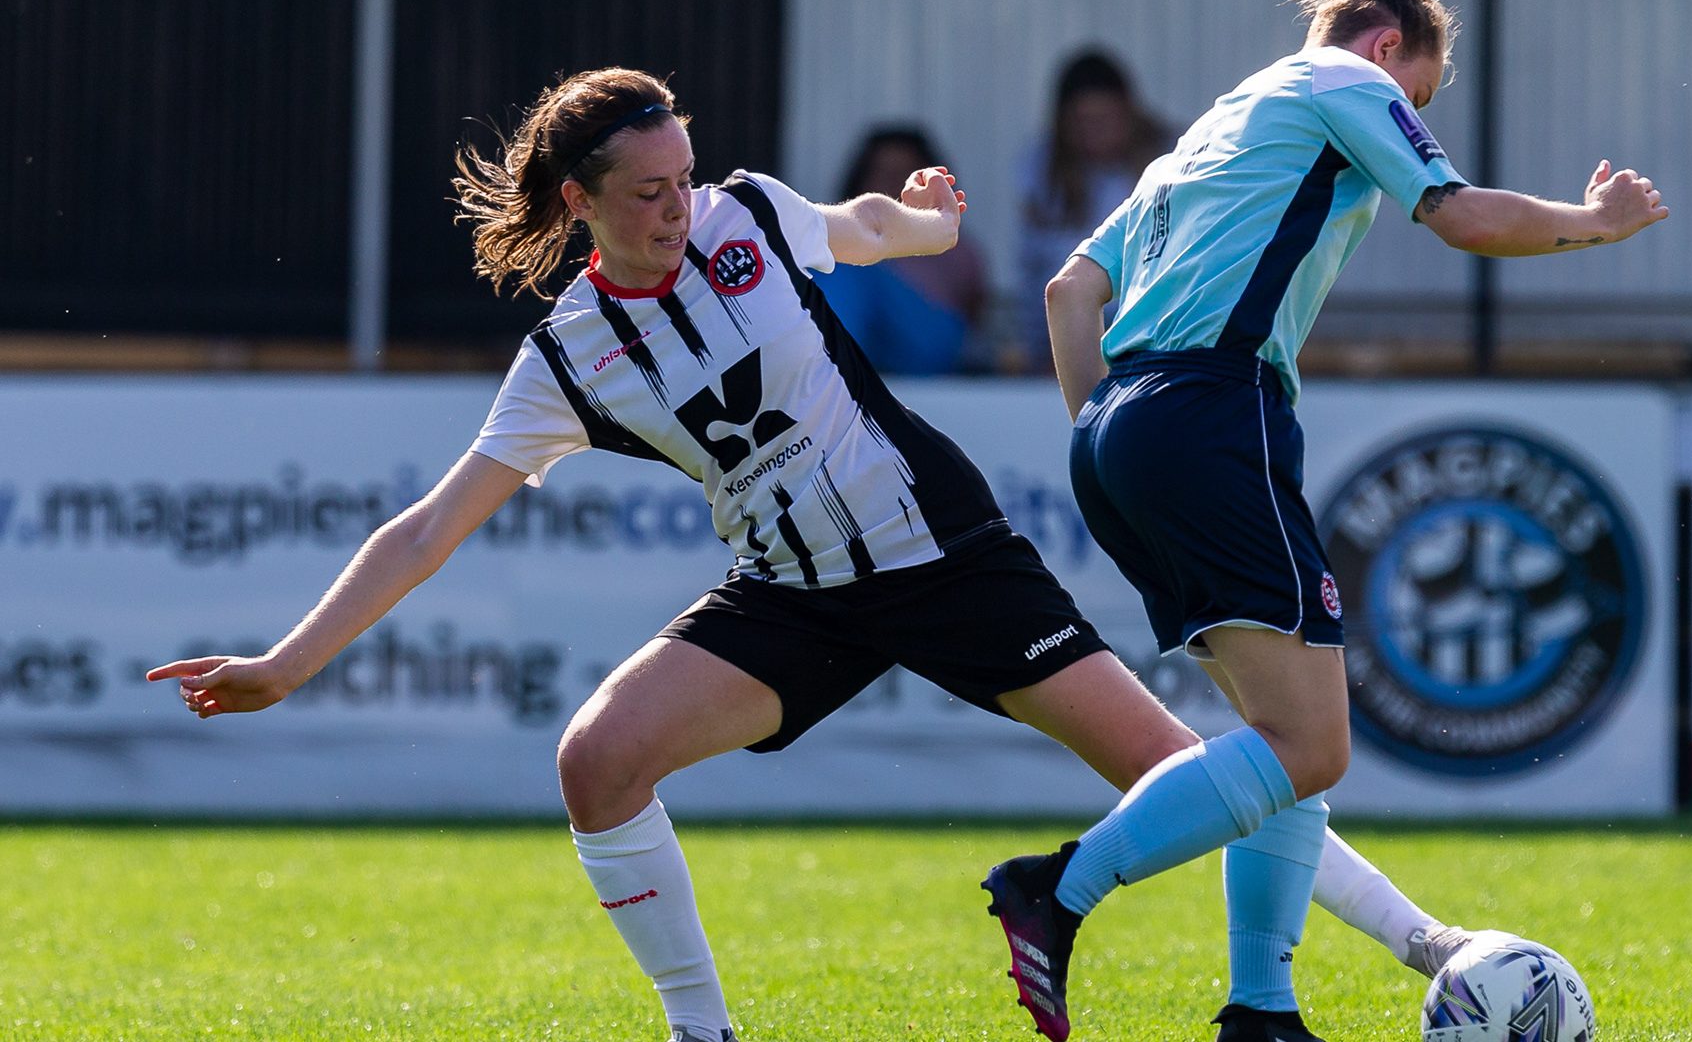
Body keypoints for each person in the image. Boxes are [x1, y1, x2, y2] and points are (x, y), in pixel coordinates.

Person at [144, 67, 1490, 1042]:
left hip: (948, 555)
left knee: (1182, 772)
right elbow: (432, 526)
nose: (678, 207)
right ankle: (702, 1034)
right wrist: (285, 662)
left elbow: (874, 234)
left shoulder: (743, 217)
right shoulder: (569, 357)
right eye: (647, 193)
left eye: (683, 179)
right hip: (792, 597)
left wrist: (925, 217)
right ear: (580, 200)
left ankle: (1429, 948)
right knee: (595, 761)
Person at [984, 0, 1669, 1040]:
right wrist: (1598, 220)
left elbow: (1070, 290)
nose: (1410, 121)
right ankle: (1058, 891)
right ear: (1388, 46)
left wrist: (1108, 435)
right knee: (1310, 746)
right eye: (1421, 100)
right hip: (1216, 411)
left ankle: (1262, 1009)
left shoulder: (1205, 134)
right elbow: (1463, 218)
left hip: (1118, 426)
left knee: (1279, 740)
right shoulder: (1342, 83)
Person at [1013, 49, 1169, 372]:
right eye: (1082, 122)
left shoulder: (1171, 159)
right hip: (1066, 336)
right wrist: (1037, 350)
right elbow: (1033, 268)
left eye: (1105, 120)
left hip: (1154, 339)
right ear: (1062, 122)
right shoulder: (1041, 169)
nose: (1094, 132)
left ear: (1130, 114)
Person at [814, 126, 992, 374]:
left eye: (904, 173)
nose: (893, 183)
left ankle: (820, 375)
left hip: (931, 356)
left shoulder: (959, 246)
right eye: (882, 172)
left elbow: (974, 317)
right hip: (862, 349)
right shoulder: (835, 241)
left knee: (845, 269)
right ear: (860, 181)